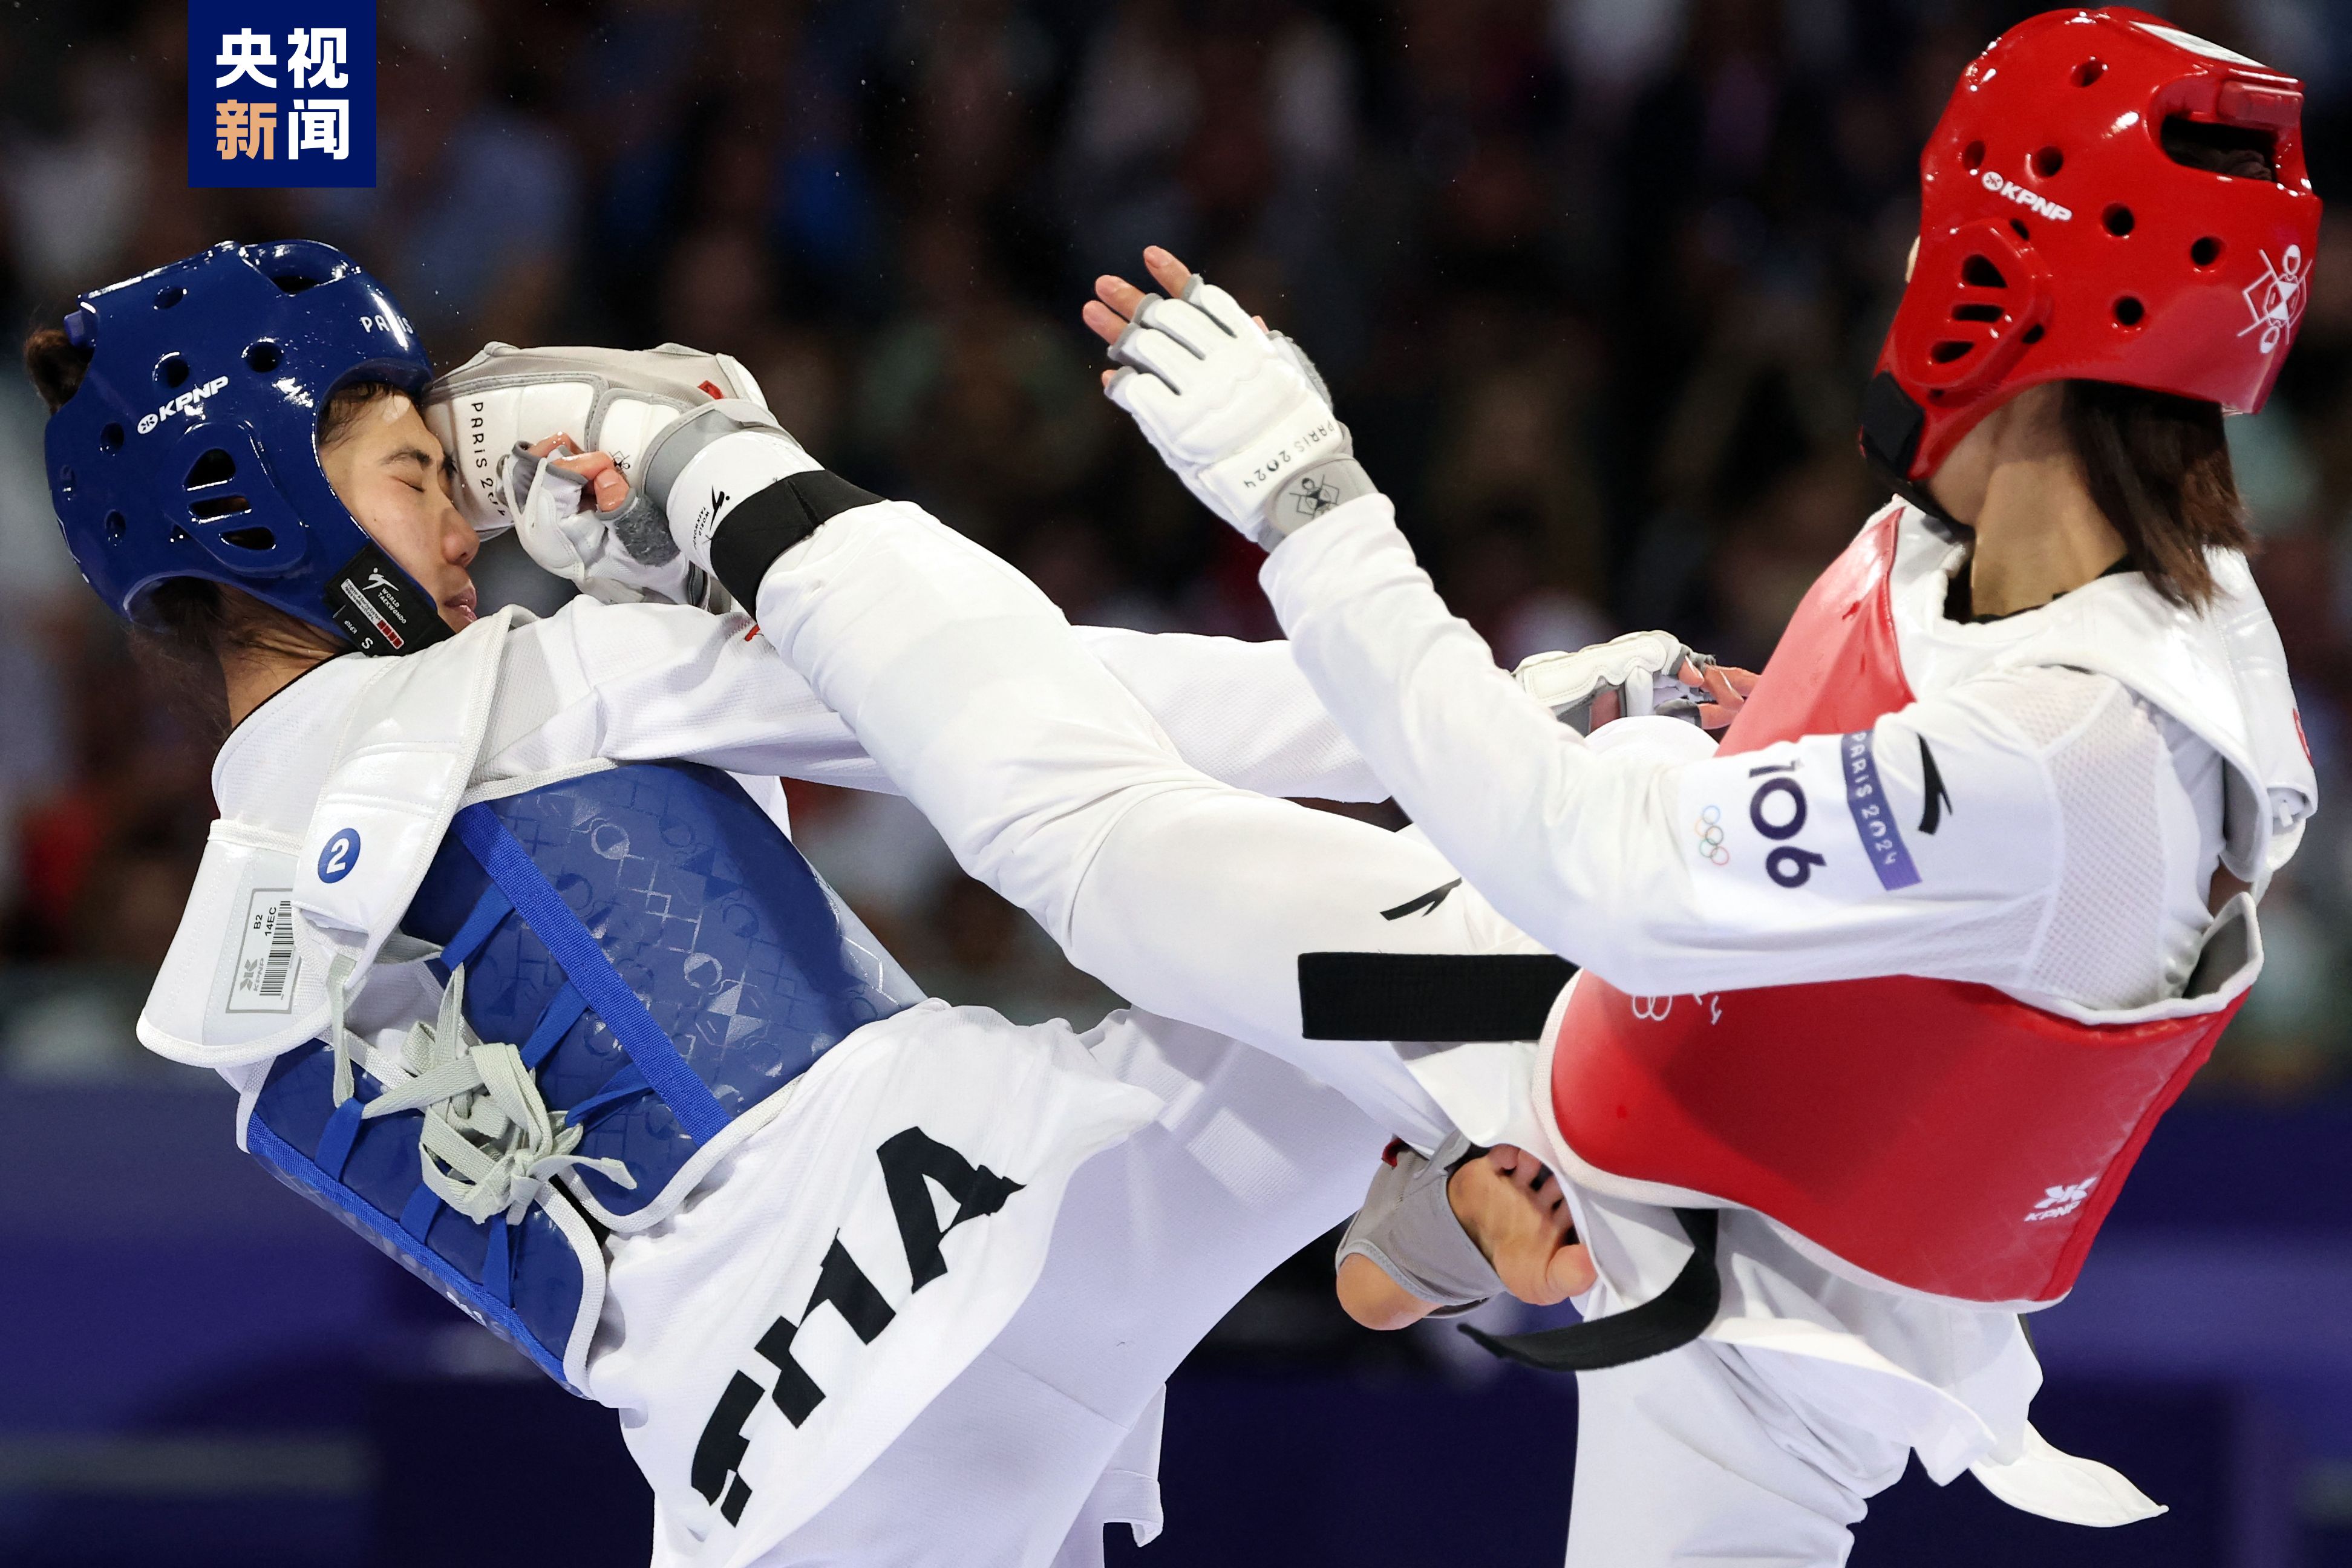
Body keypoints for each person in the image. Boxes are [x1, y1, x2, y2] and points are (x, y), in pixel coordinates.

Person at [565, 7, 2317, 1563]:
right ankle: (715, 475)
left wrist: (1308, 496)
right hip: (1611, 1065)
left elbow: (1607, 868)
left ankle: (1446, 1170)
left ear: (1999, 282)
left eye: (1940, 233)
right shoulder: (2014, 566)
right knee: (1101, 841)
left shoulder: (2082, 749)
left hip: (1774, 1303)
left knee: (1146, 807)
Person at [39, 239, 1619, 1568]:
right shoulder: (542, 681)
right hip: (976, 1215)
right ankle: (1457, 1137)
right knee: (1457, 907)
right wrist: (1518, 713)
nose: (467, 528)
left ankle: (1439, 1157)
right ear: (254, 500)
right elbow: (1052, 698)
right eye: (415, 475)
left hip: (760, 1473)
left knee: (1359, 962)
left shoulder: (227, 981)